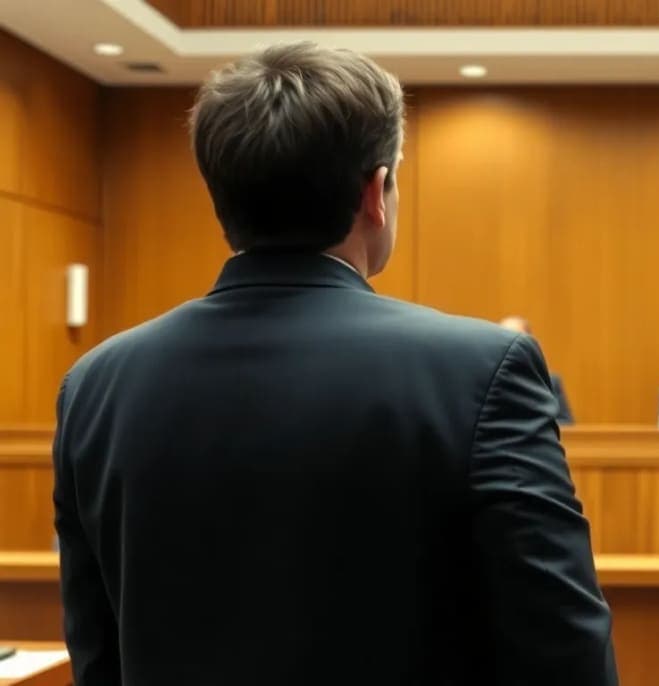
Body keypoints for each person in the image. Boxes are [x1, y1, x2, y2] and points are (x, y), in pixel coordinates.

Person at [52, 43, 616, 686]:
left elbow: (94, 650)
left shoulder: (94, 385)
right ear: (376, 193)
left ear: (220, 194)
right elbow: (563, 647)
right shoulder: (482, 371)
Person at [498, 316, 574, 425]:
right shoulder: (488, 381)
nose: (510, 345)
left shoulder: (550, 381)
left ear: (529, 344)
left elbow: (566, 423)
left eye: (515, 339)